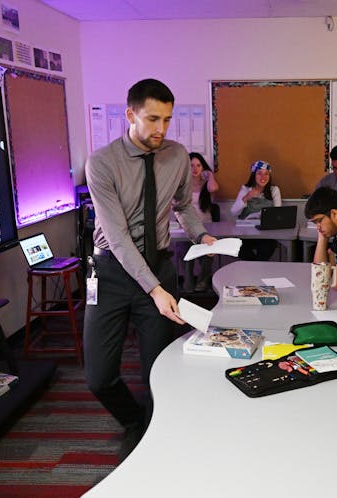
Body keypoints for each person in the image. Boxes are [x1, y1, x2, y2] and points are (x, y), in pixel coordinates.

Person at [84, 78, 216, 462]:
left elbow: (183, 205)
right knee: (98, 376)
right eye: (153, 119)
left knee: (160, 368)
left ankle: (159, 431)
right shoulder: (102, 163)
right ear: (130, 114)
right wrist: (155, 289)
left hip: (158, 261)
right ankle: (134, 421)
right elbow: (119, 237)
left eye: (167, 120)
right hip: (111, 270)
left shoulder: (176, 155)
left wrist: (202, 236)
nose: (161, 129)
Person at [230, 160, 281, 261]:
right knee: (239, 248)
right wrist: (246, 197)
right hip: (246, 233)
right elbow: (233, 212)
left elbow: (277, 214)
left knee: (267, 247)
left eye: (266, 174)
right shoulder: (245, 189)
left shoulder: (274, 190)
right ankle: (256, 269)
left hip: (266, 234)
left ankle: (255, 269)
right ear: (253, 175)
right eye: (259, 173)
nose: (263, 177)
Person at [304, 186, 337, 290]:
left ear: (334, 214)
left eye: (319, 221)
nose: (317, 227)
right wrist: (322, 237)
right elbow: (322, 274)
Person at [188, 152, 219, 292]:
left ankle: (202, 281)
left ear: (203, 167)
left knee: (208, 253)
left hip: (206, 226)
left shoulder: (207, 184)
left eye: (198, 165)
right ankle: (187, 282)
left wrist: (210, 174)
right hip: (188, 227)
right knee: (186, 250)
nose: (195, 169)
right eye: (191, 165)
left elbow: (213, 189)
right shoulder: (182, 184)